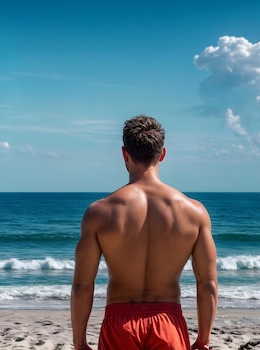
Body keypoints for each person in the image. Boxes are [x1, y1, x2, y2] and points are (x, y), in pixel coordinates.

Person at [71, 115, 218, 350]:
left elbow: (82, 286)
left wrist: (79, 342)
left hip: (120, 324)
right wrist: (203, 339)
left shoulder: (99, 212)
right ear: (162, 154)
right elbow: (207, 283)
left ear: (124, 154)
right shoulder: (195, 212)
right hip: (168, 323)